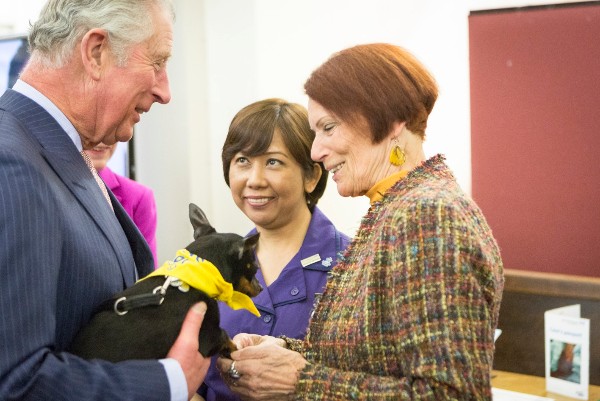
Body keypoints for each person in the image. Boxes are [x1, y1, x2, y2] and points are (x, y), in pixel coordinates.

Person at [215, 43, 505, 400]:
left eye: (329, 128)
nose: (315, 152)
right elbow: (372, 362)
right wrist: (284, 352)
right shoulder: (395, 210)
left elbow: (451, 394)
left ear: (390, 120)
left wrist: (300, 381)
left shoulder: (431, 216)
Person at [0, 1, 210, 400]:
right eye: (157, 61)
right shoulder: (12, 163)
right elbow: (15, 380)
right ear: (96, 51)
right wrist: (169, 381)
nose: (165, 91)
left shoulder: (57, 153)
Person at [199, 98, 350, 400]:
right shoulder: (209, 270)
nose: (254, 180)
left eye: (273, 162)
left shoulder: (351, 266)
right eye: (242, 160)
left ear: (312, 176)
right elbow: (191, 381)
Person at [86, 143, 159, 265]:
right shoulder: (49, 187)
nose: (103, 141)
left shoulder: (138, 197)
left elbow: (146, 273)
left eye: (113, 128)